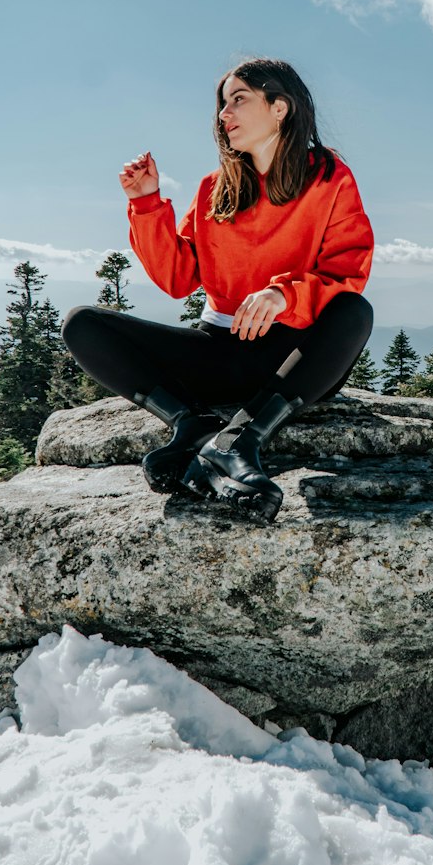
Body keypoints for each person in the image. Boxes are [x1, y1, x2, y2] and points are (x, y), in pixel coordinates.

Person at [61, 58, 374, 522]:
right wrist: (145, 203)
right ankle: (193, 425)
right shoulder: (214, 189)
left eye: (239, 100)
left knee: (353, 311)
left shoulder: (329, 178)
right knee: (81, 324)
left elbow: (348, 269)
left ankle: (238, 441)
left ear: (280, 108)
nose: (224, 114)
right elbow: (177, 278)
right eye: (222, 104)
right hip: (218, 353)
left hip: (292, 360)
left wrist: (284, 295)